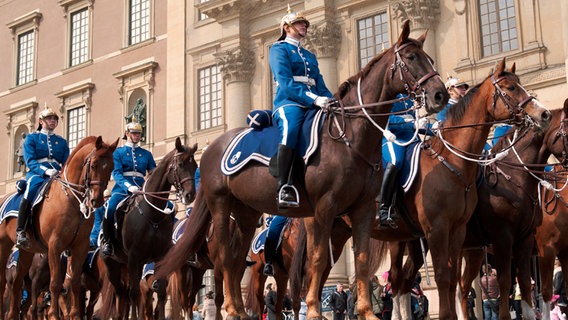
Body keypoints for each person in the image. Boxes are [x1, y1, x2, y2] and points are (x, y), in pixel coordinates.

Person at [269, 5, 333, 208]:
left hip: (314, 101)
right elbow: (286, 83)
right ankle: (284, 186)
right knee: (292, 128)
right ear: (287, 27)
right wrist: (313, 100)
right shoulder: (278, 49)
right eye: (299, 23)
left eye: (304, 23)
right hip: (289, 102)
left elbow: (320, 84)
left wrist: (331, 101)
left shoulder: (310, 56)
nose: (303, 26)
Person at [16, 106, 70, 249]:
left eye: (54, 119)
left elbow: (66, 162)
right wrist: (45, 171)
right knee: (31, 191)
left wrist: (63, 173)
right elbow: (30, 161)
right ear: (41, 121)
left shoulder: (61, 142)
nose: (52, 121)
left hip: (57, 174)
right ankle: (21, 230)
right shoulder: (32, 138)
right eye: (49, 118)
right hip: (37, 174)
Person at [101, 118, 156, 256]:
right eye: (134, 133)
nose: (137, 136)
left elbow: (153, 172)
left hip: (142, 187)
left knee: (166, 206)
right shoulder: (118, 153)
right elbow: (116, 173)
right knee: (111, 207)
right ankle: (107, 241)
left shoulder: (146, 154)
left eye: (139, 133)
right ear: (127, 133)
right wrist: (128, 187)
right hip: (122, 188)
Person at [376, 94, 429, 229]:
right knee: (396, 161)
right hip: (393, 137)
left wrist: (434, 128)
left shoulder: (408, 97)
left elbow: (415, 124)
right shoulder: (388, 94)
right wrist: (412, 124)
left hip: (412, 137)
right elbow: (388, 119)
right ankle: (384, 209)